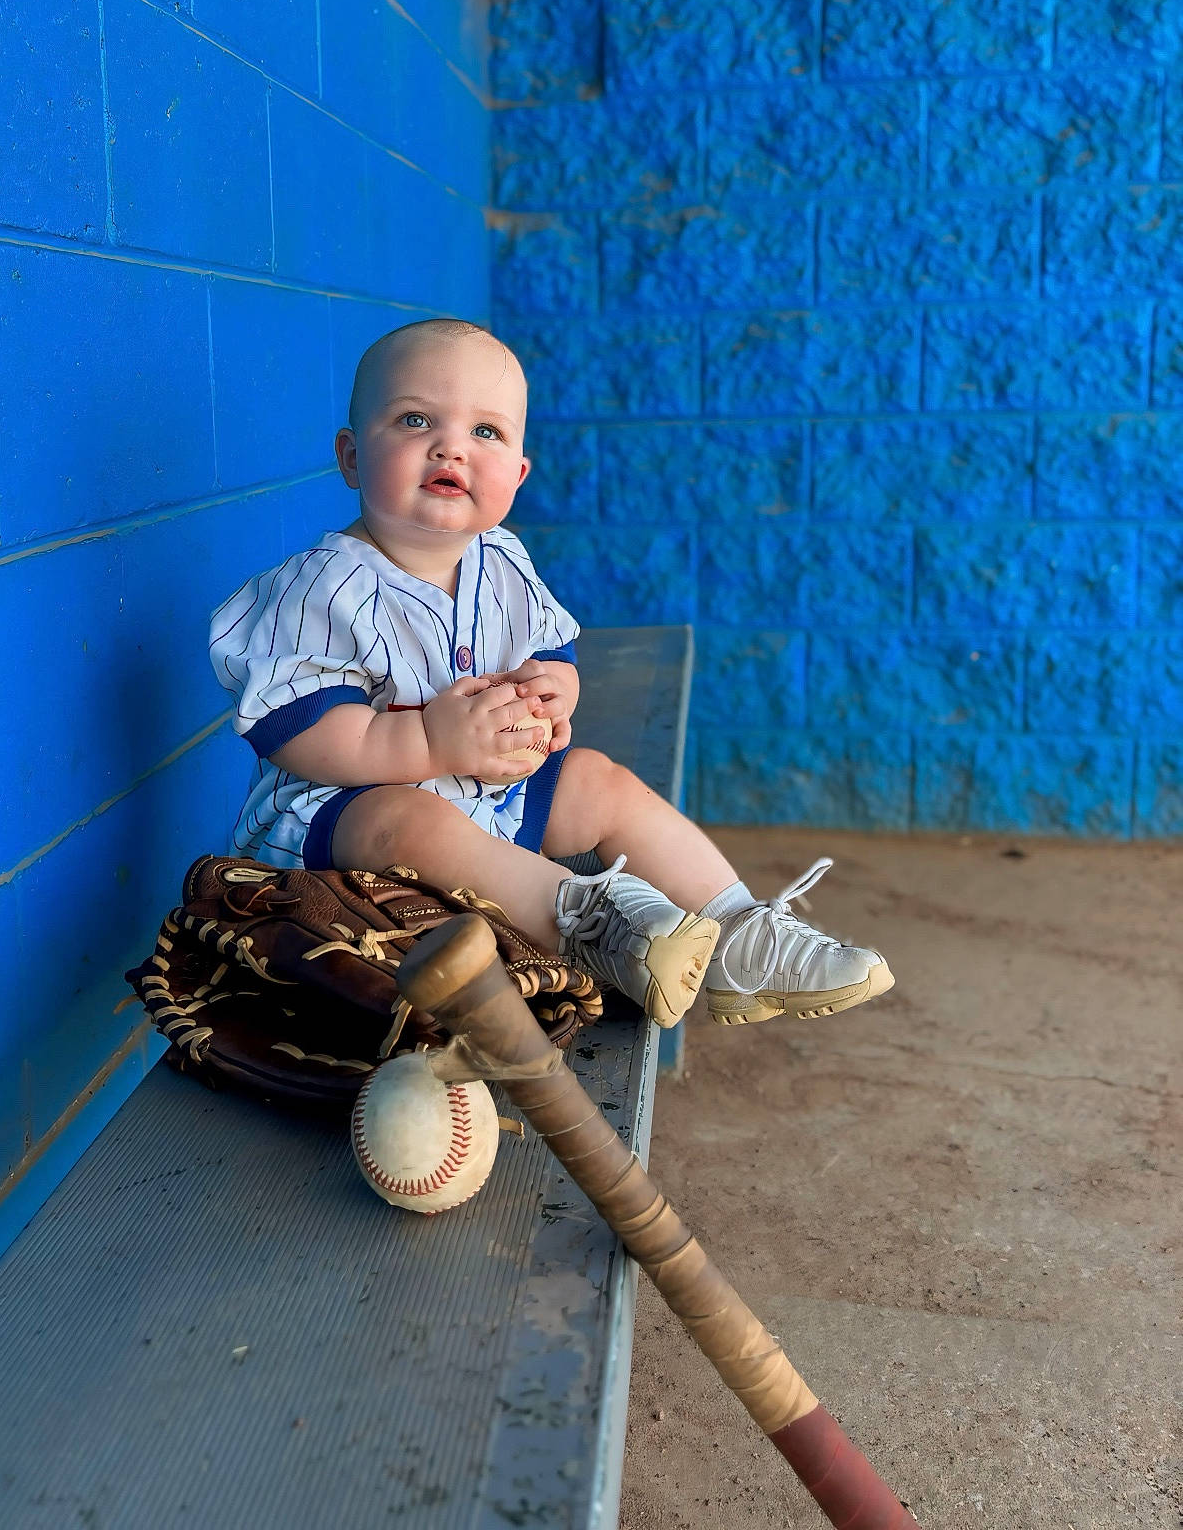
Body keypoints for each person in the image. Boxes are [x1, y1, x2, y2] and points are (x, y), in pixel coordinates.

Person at [207, 318, 893, 1032]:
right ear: (351, 457)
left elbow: (552, 653)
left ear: (519, 473)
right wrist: (430, 746)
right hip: (342, 837)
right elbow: (299, 732)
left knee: (597, 779)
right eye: (415, 419)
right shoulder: (320, 588)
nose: (451, 447)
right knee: (404, 816)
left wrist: (554, 690)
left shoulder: (501, 560)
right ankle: (595, 927)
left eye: (487, 433)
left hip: (490, 806)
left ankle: (738, 938)